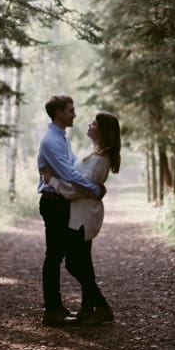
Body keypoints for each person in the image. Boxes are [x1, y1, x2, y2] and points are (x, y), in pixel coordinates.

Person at [42, 111, 120, 325]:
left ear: (102, 130)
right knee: (83, 262)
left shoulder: (99, 159)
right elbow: (81, 183)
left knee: (74, 264)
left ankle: (101, 306)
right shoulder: (94, 154)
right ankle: (87, 308)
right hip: (80, 214)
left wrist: (52, 181)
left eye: (94, 124)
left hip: (83, 217)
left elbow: (77, 189)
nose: (89, 125)